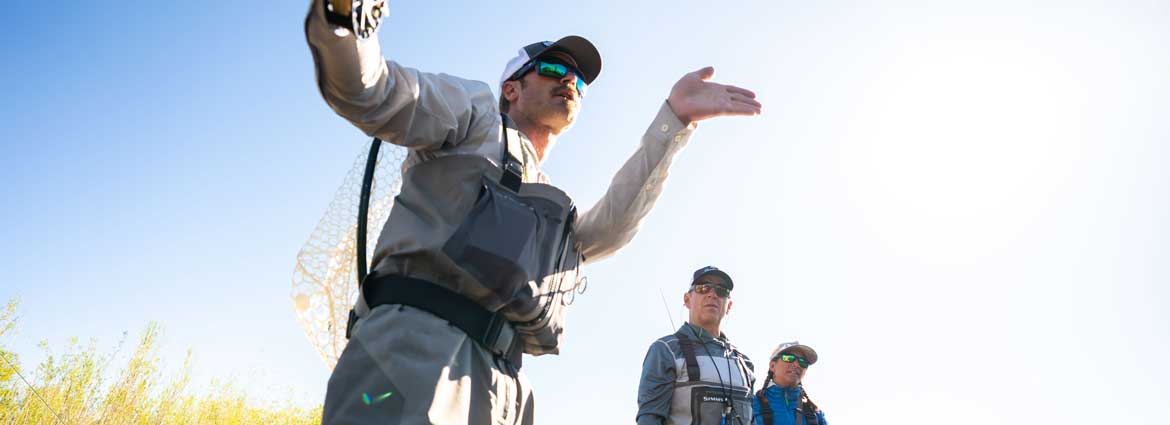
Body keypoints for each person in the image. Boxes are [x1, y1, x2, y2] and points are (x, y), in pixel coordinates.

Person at [304, 1, 763, 424]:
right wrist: (345, 19)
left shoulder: (549, 202)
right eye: (552, 68)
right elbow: (374, 92)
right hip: (416, 351)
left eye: (578, 80)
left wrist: (673, 122)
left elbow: (611, 228)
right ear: (512, 88)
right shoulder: (475, 115)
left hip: (508, 383)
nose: (569, 80)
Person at [637, 266, 755, 425]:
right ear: (687, 300)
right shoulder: (666, 350)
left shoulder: (744, 363)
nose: (712, 294)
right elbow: (649, 418)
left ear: (729, 305)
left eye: (721, 291)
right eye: (703, 288)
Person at [752, 342, 828, 425]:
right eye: (789, 358)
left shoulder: (815, 412)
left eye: (803, 362)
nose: (796, 364)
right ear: (772, 366)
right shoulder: (751, 404)